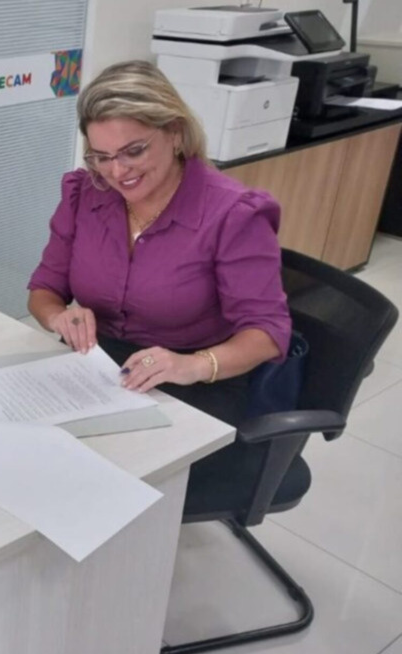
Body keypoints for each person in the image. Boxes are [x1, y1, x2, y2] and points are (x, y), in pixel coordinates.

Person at [27, 61, 292, 503]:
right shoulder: (84, 194)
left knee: (91, 488)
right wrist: (60, 318)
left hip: (194, 383)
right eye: (101, 156)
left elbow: (267, 333)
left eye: (133, 151)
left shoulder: (234, 214)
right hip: (98, 372)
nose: (116, 172)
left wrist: (190, 365)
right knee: (30, 459)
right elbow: (44, 290)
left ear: (174, 133)